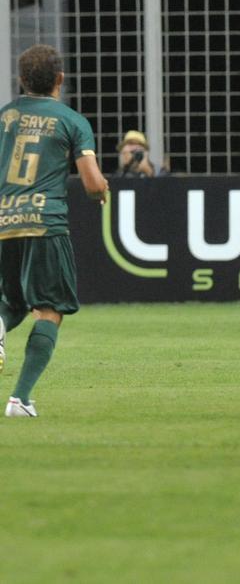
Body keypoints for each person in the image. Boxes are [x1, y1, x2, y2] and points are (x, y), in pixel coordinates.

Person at [0, 44, 109, 417]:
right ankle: (20, 399)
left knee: (13, 301)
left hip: (3, 221)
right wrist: (102, 190)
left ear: (21, 79)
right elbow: (92, 184)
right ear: (60, 79)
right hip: (45, 222)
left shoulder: (5, 116)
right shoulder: (71, 120)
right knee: (49, 308)